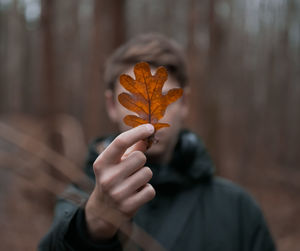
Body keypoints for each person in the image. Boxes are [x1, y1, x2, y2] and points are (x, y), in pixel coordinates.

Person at [38, 33, 276, 251]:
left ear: (184, 103)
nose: (149, 118)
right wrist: (91, 227)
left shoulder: (237, 209)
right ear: (111, 105)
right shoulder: (78, 198)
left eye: (165, 99)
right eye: (133, 99)